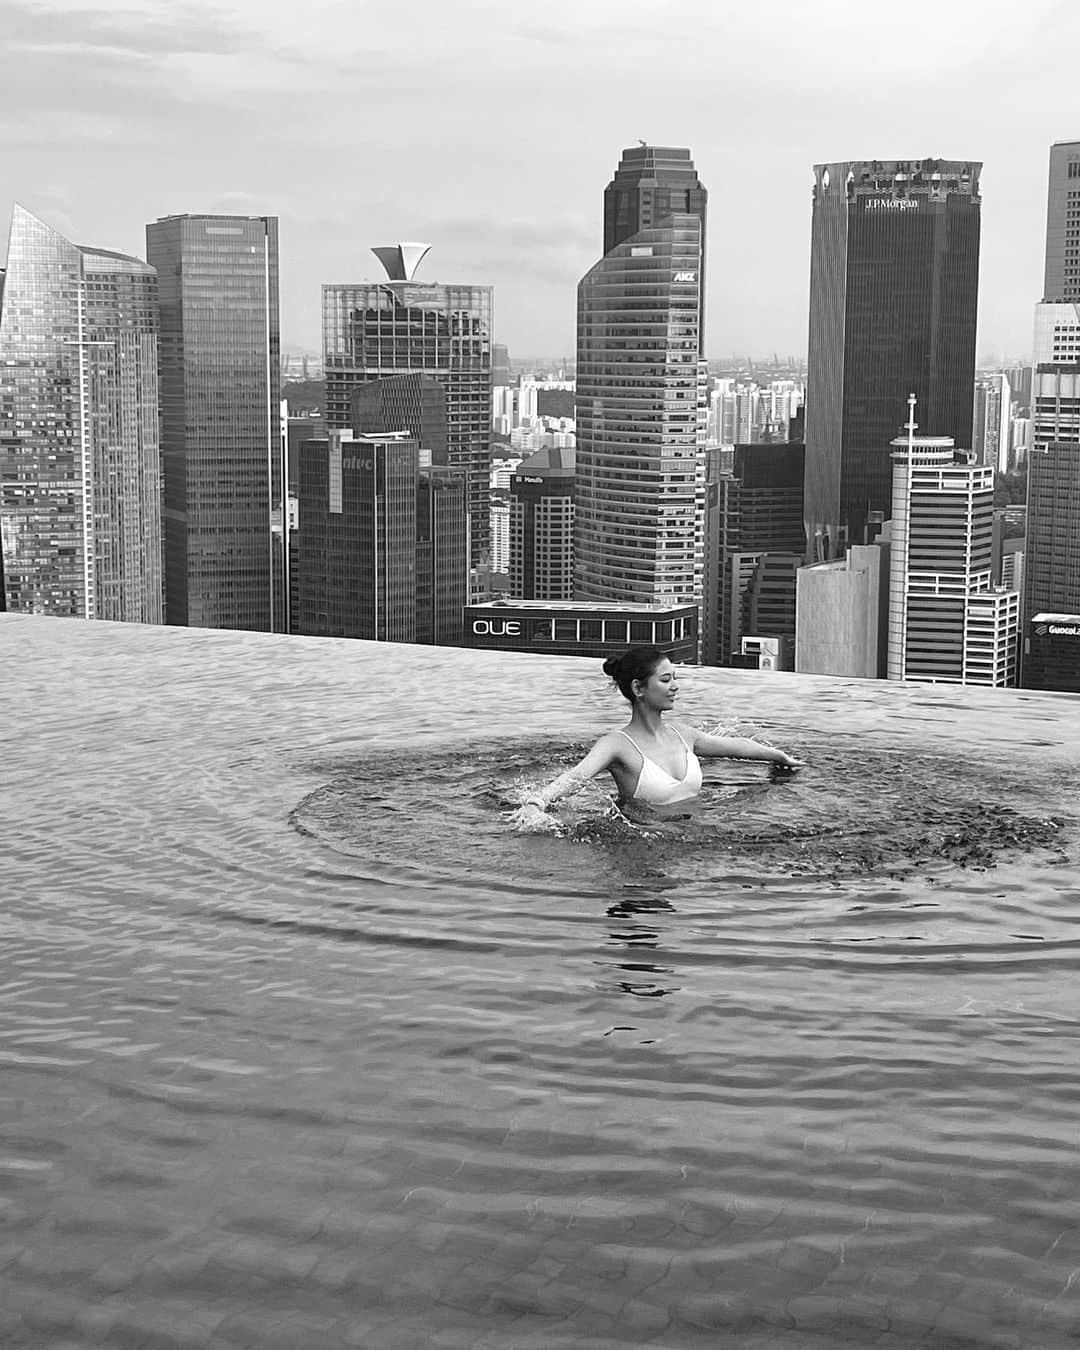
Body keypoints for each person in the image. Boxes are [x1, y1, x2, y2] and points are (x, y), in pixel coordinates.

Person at [510, 646, 802, 828]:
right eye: (665, 680)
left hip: (696, 837)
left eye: (676, 678)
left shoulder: (683, 734)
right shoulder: (616, 745)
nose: (675, 687)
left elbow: (736, 747)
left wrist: (777, 756)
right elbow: (576, 777)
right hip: (641, 845)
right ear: (638, 688)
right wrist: (537, 803)